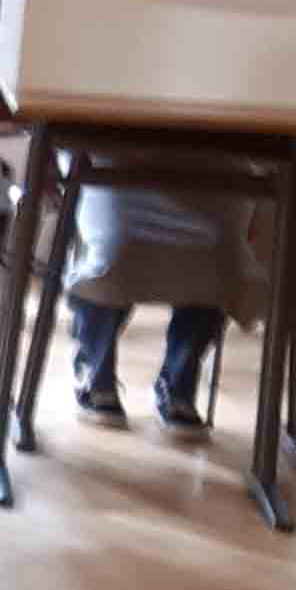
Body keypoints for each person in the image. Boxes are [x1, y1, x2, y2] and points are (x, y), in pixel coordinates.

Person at [65, 185, 261, 434]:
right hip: (214, 198)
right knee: (216, 265)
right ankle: (176, 387)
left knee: (112, 257)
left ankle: (96, 375)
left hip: (119, 182)